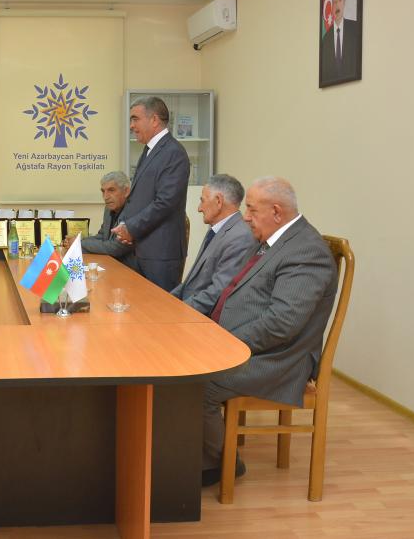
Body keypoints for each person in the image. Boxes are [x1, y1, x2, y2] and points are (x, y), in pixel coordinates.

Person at [200, 177, 338, 487]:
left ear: (276, 212)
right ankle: (192, 450)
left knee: (198, 382)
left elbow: (281, 323)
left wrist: (223, 345)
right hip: (247, 345)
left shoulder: (307, 251)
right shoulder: (274, 239)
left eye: (251, 209)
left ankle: (221, 463)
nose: (245, 217)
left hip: (278, 359)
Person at [110, 96, 190, 291]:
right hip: (142, 249)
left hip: (161, 254)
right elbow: (141, 199)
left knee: (158, 308)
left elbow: (165, 203)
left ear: (154, 120)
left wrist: (131, 228)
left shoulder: (173, 153)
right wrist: (126, 227)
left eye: (135, 119)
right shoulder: (149, 151)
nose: (131, 126)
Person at [171, 174, 256, 316]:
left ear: (218, 201)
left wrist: (177, 311)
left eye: (202, 201)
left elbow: (216, 294)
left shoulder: (240, 237)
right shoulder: (217, 229)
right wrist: (166, 301)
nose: (199, 208)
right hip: (188, 308)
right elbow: (190, 283)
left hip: (200, 318)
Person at [64, 170, 138, 271]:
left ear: (126, 191)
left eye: (111, 190)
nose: (105, 197)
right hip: (111, 265)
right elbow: (102, 236)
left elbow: (116, 248)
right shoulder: (108, 209)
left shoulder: (134, 211)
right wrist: (77, 242)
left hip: (131, 270)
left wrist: (79, 244)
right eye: (103, 191)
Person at [320, 0, 361, 83]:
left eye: (340, 0)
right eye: (335, 1)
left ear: (344, 2)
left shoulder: (355, 29)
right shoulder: (325, 39)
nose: (337, 5)